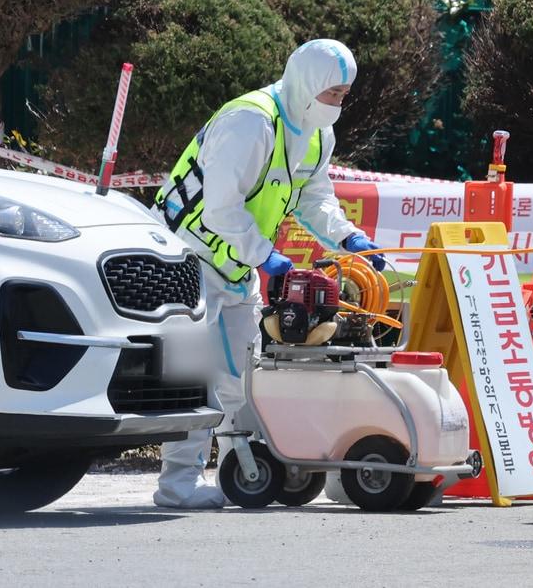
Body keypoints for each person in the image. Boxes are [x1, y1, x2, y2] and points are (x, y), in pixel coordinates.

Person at [150, 38, 385, 508]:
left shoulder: (315, 133)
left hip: (236, 265)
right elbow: (220, 208)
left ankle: (244, 467)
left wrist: (347, 237)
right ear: (308, 83)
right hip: (186, 259)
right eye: (333, 92)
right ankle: (177, 486)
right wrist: (263, 255)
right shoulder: (250, 121)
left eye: (344, 94)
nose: (339, 103)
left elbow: (314, 197)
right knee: (192, 373)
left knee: (243, 375)